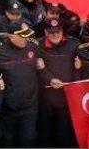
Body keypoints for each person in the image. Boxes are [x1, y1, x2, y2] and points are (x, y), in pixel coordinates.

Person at [0, 21, 40, 148]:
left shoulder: (33, 46)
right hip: (9, 107)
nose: (26, 39)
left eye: (27, 35)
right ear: (11, 36)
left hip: (30, 104)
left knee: (28, 138)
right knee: (8, 139)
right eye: (22, 36)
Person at [37, 18, 79, 148]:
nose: (55, 35)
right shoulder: (38, 45)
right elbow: (37, 68)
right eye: (51, 32)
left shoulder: (74, 44)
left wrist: (77, 70)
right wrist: (49, 78)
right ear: (45, 32)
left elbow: (78, 68)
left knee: (64, 133)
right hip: (46, 98)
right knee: (45, 132)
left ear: (63, 31)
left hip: (66, 98)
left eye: (58, 31)